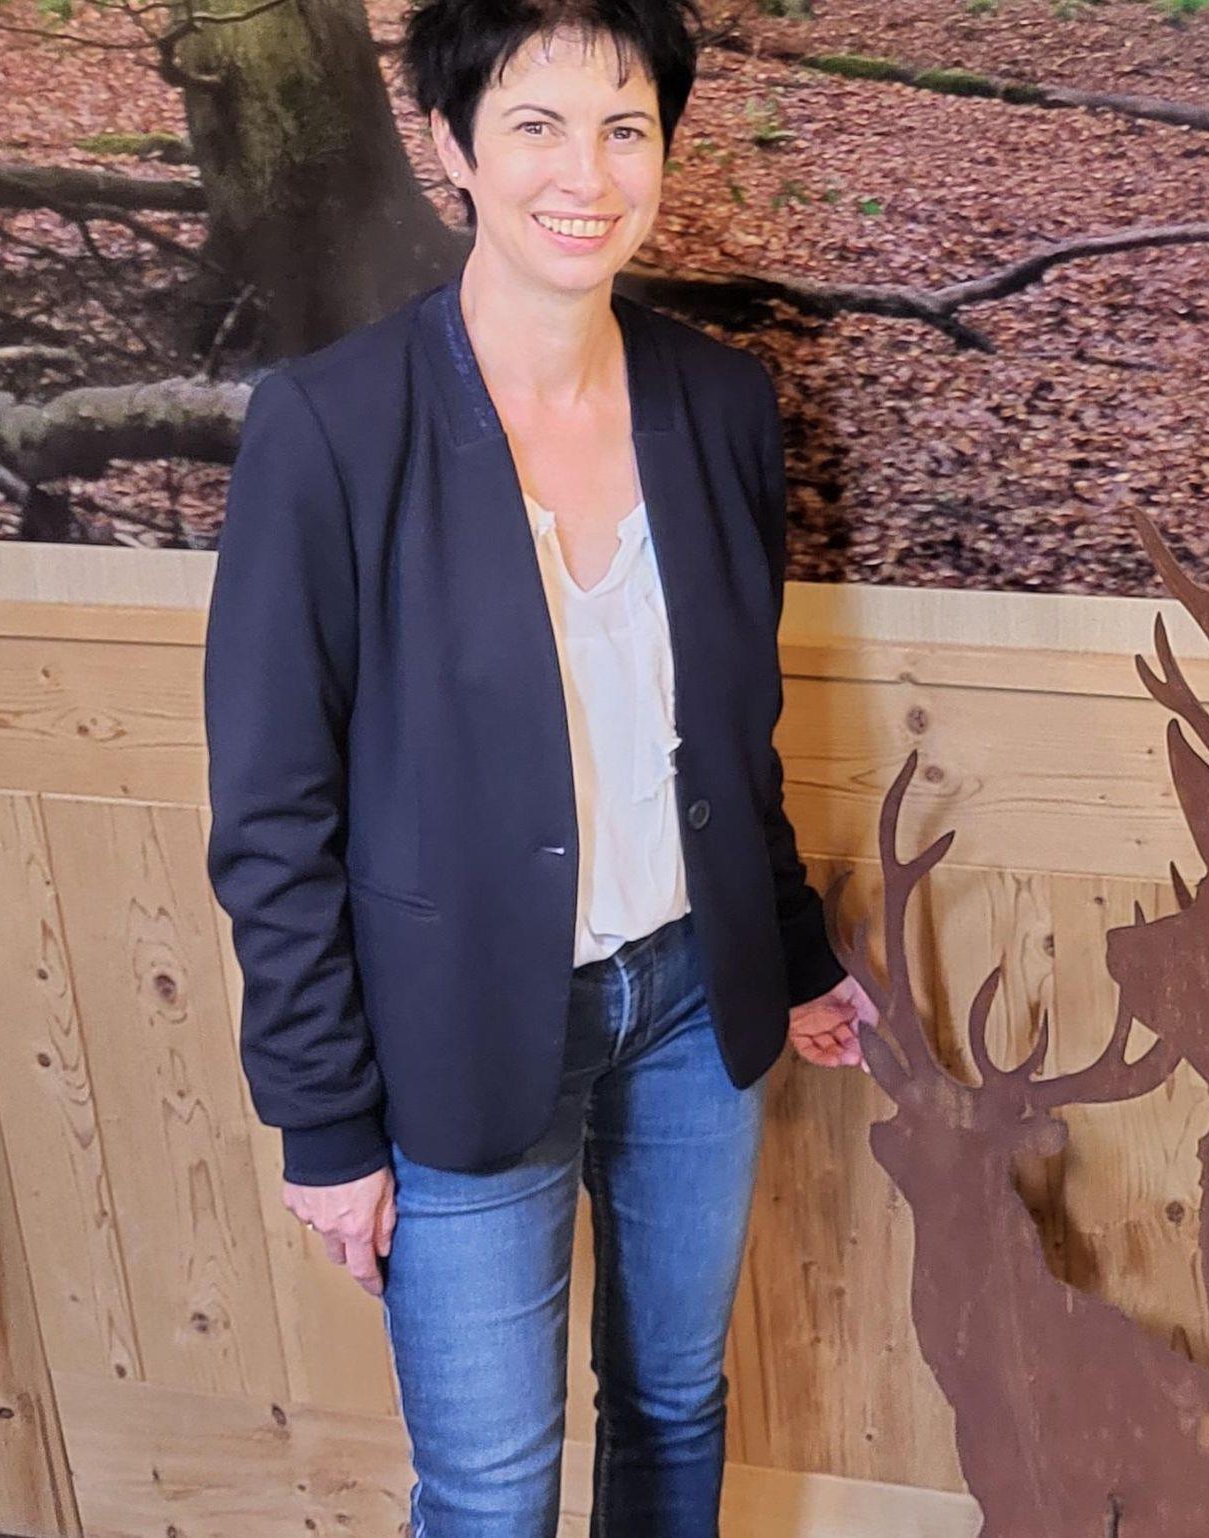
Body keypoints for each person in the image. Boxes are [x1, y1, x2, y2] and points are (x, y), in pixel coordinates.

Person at [201, 2, 877, 1532]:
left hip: (694, 1003)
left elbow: (730, 731)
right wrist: (323, 1119)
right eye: (535, 125)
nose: (587, 173)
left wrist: (792, 952)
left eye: (625, 128)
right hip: (456, 1036)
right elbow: (272, 818)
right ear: (451, 147)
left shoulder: (721, 404)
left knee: (675, 1405)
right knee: (494, 1488)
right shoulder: (330, 426)